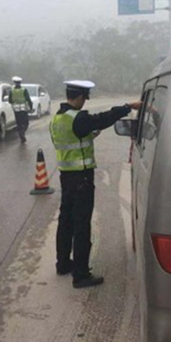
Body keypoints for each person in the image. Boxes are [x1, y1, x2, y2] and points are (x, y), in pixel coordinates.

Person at [50, 80, 141, 288]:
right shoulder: (79, 117)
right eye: (84, 98)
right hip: (82, 178)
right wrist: (128, 107)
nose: (84, 102)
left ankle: (63, 263)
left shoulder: (57, 118)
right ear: (80, 97)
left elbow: (68, 140)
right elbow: (103, 119)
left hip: (66, 176)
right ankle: (81, 275)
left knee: (66, 221)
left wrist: (89, 135)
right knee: (81, 225)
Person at [9, 76, 33, 143]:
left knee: (19, 123)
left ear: (14, 82)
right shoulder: (24, 90)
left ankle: (21, 135)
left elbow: (10, 100)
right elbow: (28, 99)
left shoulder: (12, 90)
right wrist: (31, 107)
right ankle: (22, 132)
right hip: (24, 109)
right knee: (26, 123)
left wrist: (15, 102)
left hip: (16, 110)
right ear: (20, 82)